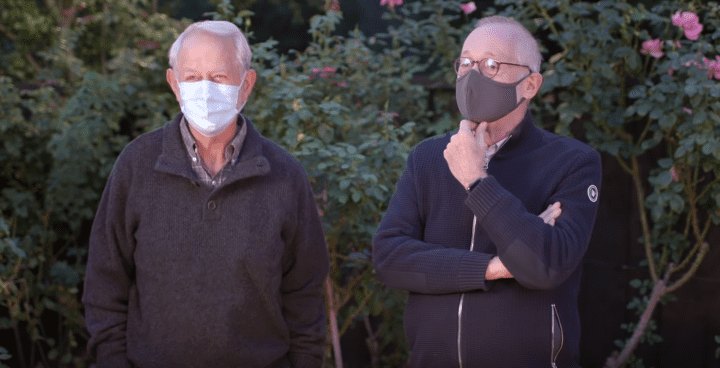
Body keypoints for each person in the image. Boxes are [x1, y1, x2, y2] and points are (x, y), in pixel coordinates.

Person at [82, 21, 329, 368]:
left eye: (219, 77)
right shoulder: (136, 166)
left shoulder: (285, 176)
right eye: (192, 77)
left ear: (246, 86)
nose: (205, 90)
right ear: (174, 84)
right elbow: (104, 284)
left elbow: (305, 294)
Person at [372, 15, 602, 367]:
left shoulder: (572, 162)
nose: (472, 76)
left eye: (491, 65)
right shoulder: (428, 158)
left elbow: (545, 266)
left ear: (530, 85)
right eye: (465, 63)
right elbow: (390, 259)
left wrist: (476, 181)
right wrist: (494, 267)